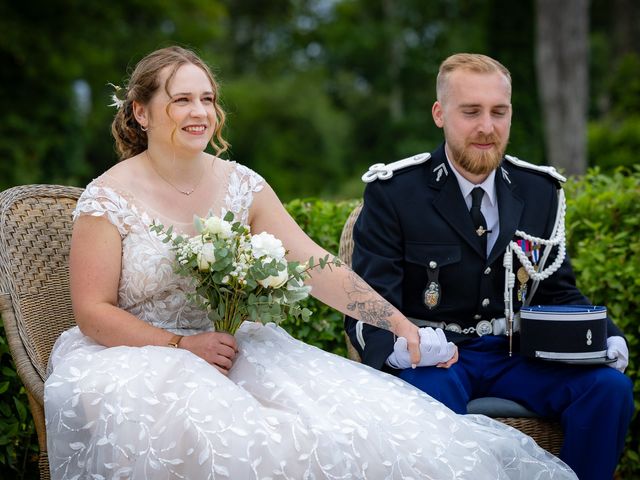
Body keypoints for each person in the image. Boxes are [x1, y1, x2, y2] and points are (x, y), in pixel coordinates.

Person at [44, 46, 578, 479]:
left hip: (235, 351)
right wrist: (185, 347)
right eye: (182, 99)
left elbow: (316, 265)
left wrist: (394, 321)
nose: (200, 112)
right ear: (141, 111)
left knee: (348, 433)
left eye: (206, 98)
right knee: (233, 444)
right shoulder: (107, 197)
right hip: (137, 360)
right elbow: (93, 312)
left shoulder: (241, 184)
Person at [346, 52, 634, 480]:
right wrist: (405, 349)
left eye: (499, 112)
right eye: (471, 112)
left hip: (515, 354)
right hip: (436, 358)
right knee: (424, 404)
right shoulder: (395, 193)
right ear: (440, 114)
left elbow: (555, 289)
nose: (487, 127)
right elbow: (366, 301)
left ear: (511, 114)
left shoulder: (540, 191)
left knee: (608, 389)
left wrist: (605, 337)